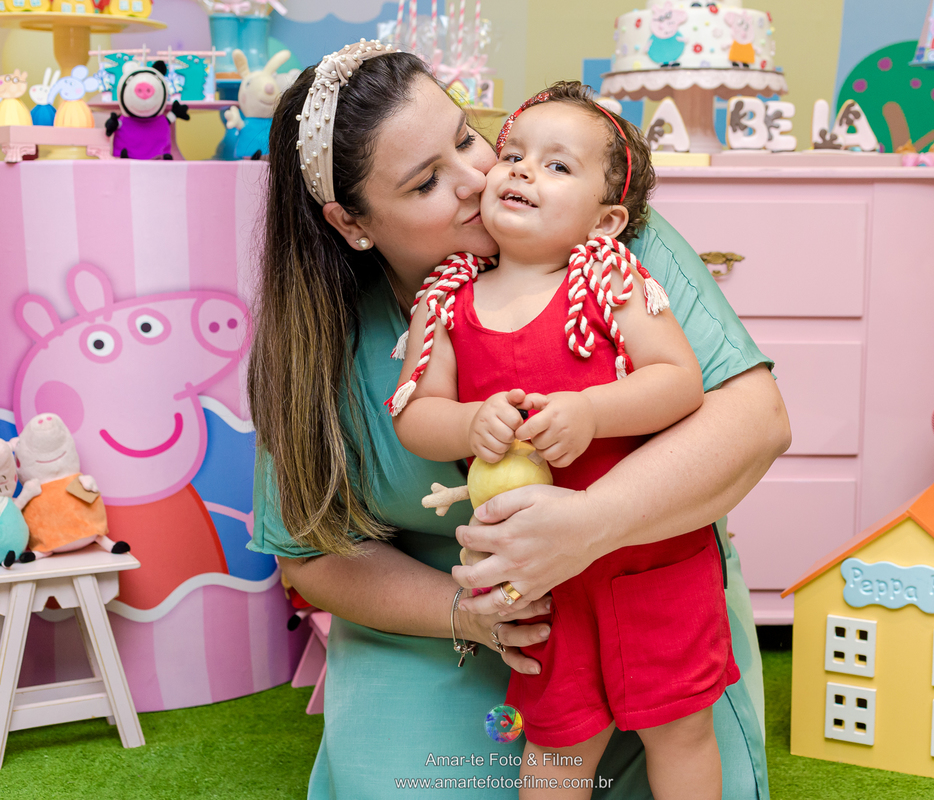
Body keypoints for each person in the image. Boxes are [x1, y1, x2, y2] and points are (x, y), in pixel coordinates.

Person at [247, 41, 789, 799]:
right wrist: (471, 614)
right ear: (352, 221)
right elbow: (311, 554)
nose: (481, 177)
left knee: (672, 744)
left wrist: (591, 522)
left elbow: (754, 419)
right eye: (427, 180)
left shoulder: (599, 243)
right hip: (450, 620)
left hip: (639, 572)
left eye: (468, 137)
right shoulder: (334, 339)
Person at [387, 81, 734, 799]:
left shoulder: (612, 279)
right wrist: (468, 421)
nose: (519, 171)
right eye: (513, 154)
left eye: (556, 166)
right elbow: (416, 413)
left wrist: (590, 413)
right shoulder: (447, 299)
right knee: (556, 743)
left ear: (605, 221)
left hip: (652, 559)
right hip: (535, 577)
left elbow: (678, 381)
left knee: (682, 730)